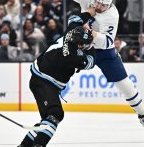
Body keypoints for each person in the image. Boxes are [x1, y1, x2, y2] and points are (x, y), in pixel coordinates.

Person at [59, 0, 144, 133]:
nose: (98, 6)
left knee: (125, 85)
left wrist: (92, 34)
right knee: (58, 58)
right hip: (82, 46)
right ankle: (50, 96)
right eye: (97, 2)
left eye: (103, 5)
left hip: (103, 52)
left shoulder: (112, 15)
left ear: (110, 4)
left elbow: (107, 42)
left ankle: (143, 115)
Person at [18, 9, 96, 147]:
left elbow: (74, 18)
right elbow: (90, 63)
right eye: (84, 45)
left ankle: (24, 145)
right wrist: (94, 44)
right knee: (56, 114)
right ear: (79, 45)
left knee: (48, 120)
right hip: (44, 82)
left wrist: (89, 13)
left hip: (41, 80)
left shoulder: (70, 32)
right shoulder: (74, 57)